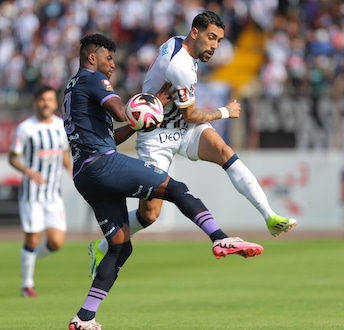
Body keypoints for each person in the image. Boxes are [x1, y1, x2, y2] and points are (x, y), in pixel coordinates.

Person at [64, 33, 264, 330]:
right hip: (103, 165)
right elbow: (123, 112)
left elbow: (112, 134)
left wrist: (143, 117)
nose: (112, 66)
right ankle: (219, 237)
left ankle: (84, 317)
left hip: (85, 174)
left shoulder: (71, 88)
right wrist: (151, 103)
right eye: (108, 59)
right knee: (175, 188)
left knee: (120, 246)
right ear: (92, 57)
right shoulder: (92, 80)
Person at [88, 10, 296, 279]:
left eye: (219, 40)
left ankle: (270, 216)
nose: (215, 46)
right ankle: (102, 245)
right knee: (150, 215)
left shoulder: (178, 43)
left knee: (224, 152)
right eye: (211, 38)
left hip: (183, 128)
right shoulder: (181, 67)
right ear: (195, 33)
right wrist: (225, 111)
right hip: (156, 136)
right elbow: (192, 114)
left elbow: (185, 114)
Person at [8, 84, 72, 298]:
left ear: (55, 103)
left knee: (56, 242)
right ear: (36, 102)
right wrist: (27, 171)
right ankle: (27, 285)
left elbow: (64, 153)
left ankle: (29, 259)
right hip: (32, 195)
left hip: (53, 195)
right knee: (32, 239)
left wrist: (73, 170)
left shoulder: (60, 126)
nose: (46, 104)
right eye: (43, 100)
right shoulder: (25, 128)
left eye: (50, 100)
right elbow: (12, 157)